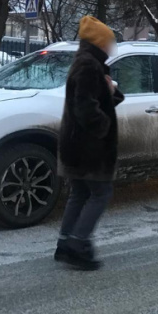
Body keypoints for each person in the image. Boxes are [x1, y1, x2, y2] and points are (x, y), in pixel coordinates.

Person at [55, 15, 125, 270]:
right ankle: (78, 243)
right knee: (100, 193)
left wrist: (110, 92)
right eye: (109, 42)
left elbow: (95, 99)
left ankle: (65, 242)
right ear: (99, 42)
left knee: (81, 192)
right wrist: (104, 129)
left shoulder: (88, 63)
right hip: (89, 147)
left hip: (77, 145)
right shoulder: (89, 65)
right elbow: (85, 107)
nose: (111, 47)